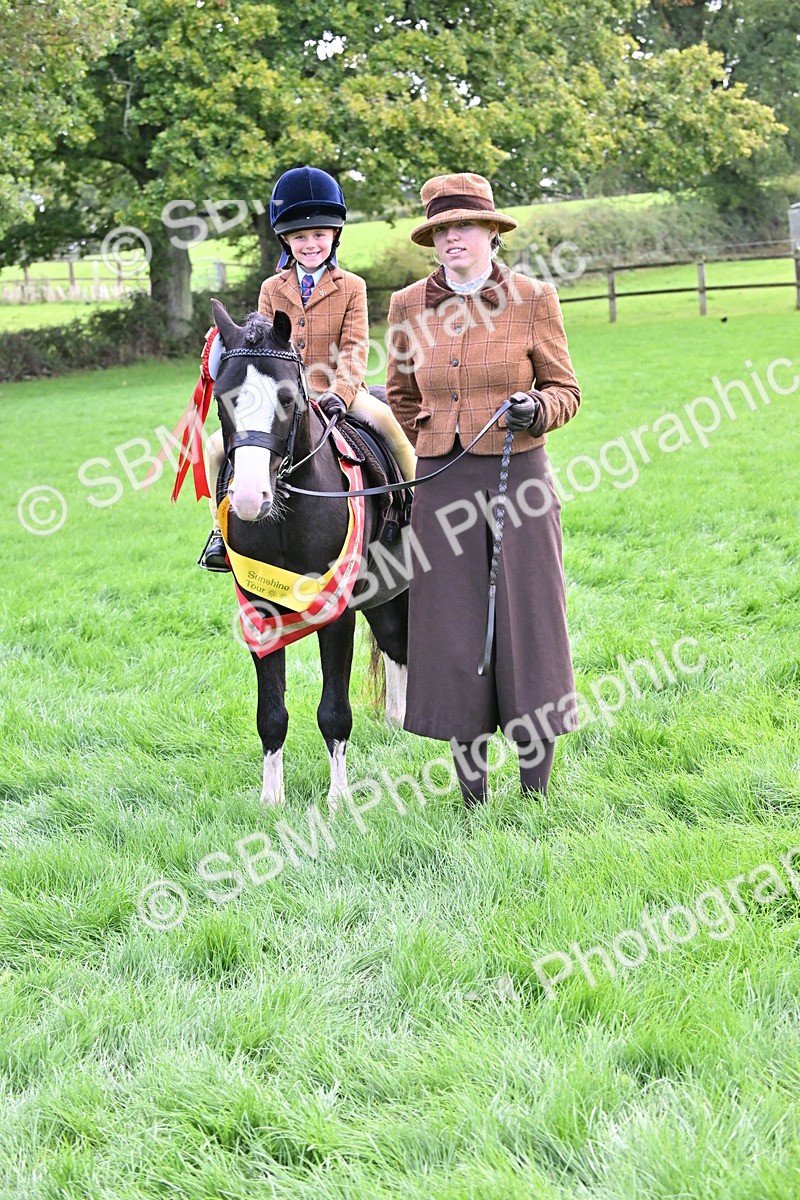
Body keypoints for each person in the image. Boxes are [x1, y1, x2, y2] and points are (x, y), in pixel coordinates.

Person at [385, 172, 581, 806]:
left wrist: (537, 410)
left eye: (464, 226)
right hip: (441, 483)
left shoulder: (534, 298)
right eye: (442, 229)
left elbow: (566, 390)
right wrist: (434, 437)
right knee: (452, 627)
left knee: (527, 621)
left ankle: (535, 791)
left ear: (492, 232)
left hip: (519, 478)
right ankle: (472, 793)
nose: (453, 239)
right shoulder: (407, 306)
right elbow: (400, 393)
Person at [199, 167, 416, 570]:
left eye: (319, 234)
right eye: (300, 237)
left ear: (335, 235)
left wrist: (341, 393)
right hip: (280, 397)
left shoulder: (352, 286)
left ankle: (413, 506)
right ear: (286, 239)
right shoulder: (271, 288)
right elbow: (260, 345)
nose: (310, 244)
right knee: (214, 448)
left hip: (337, 392)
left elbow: (354, 349)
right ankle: (218, 532)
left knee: (390, 426)